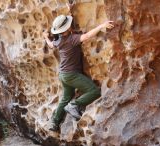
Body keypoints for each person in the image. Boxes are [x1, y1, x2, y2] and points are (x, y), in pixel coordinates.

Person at [43, 2, 114, 132]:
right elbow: (86, 36)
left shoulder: (58, 40)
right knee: (94, 91)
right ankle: (74, 105)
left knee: (65, 98)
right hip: (71, 75)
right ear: (68, 28)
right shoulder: (72, 39)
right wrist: (102, 25)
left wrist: (46, 37)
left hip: (63, 75)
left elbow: (51, 45)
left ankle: (54, 122)